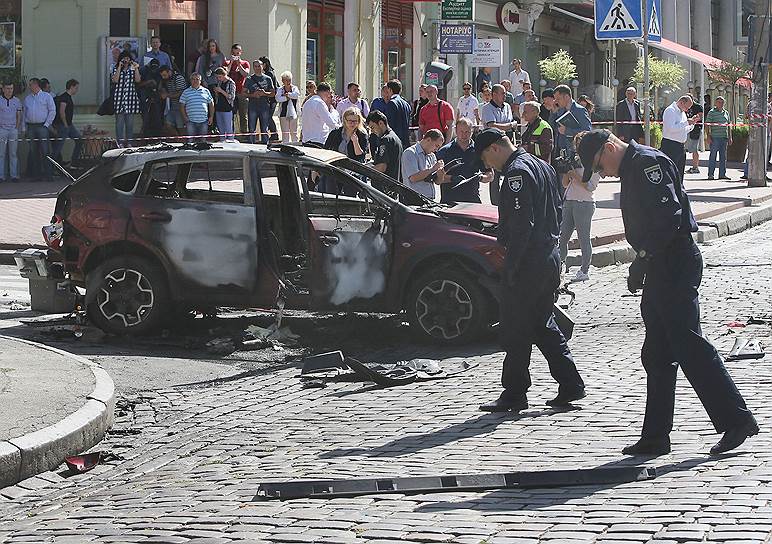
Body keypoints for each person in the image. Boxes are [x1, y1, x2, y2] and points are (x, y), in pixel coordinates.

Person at [576, 129, 759, 455]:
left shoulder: (646, 162)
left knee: (688, 344)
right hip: (660, 262)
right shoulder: (633, 165)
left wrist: (642, 259)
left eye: (600, 165)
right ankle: (656, 436)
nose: (604, 173)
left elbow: (668, 217)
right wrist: (644, 260)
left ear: (609, 147)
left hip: (673, 261)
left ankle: (737, 420)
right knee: (657, 353)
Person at [476, 127, 585, 412]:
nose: (489, 165)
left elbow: (523, 224)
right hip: (547, 256)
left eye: (487, 158)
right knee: (541, 324)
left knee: (515, 327)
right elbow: (558, 211)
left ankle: (514, 393)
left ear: (496, 148)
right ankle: (570, 383)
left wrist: (511, 265)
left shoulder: (516, 174)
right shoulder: (543, 167)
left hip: (528, 261)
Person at [558, 148, 598, 283]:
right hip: (569, 201)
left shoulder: (594, 164)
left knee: (583, 238)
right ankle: (560, 266)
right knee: (562, 237)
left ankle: (585, 270)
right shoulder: (575, 162)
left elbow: (591, 186)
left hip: (584, 203)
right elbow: (564, 184)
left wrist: (575, 175)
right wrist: (566, 172)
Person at [435, 117, 493, 204]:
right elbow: (436, 178)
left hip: (472, 200)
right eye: (461, 131)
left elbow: (490, 175)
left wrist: (480, 178)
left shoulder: (479, 151)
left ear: (472, 131)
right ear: (455, 130)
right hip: (450, 200)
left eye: (467, 132)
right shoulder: (444, 151)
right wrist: (452, 178)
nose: (464, 135)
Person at [481, 84, 515, 205]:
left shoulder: (507, 107)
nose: (505, 95)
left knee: (509, 174)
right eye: (502, 93)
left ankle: (508, 201)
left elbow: (506, 124)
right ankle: (495, 204)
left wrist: (506, 126)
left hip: (506, 145)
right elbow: (492, 125)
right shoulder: (487, 108)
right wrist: (509, 125)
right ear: (494, 94)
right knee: (494, 177)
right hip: (493, 146)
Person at [323, 107, 368, 195]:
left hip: (352, 173)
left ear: (359, 121)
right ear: (344, 120)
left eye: (355, 121)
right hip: (335, 170)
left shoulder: (362, 135)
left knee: (349, 199)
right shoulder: (335, 133)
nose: (352, 123)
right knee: (331, 197)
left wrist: (355, 142)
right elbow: (325, 151)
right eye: (349, 120)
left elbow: (361, 156)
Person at [661, 95, 700, 183]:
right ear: (682, 102)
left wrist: (692, 124)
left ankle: (679, 192)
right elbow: (671, 128)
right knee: (670, 172)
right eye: (686, 107)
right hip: (670, 145)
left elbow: (683, 130)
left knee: (679, 173)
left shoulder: (681, 112)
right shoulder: (670, 110)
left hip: (680, 146)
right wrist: (686, 122)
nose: (687, 110)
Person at [23, 78, 56, 180]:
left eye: (31, 85)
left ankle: (48, 175)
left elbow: (52, 111)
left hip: (43, 126)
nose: (29, 87)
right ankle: (36, 175)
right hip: (31, 127)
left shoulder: (47, 96)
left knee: (45, 151)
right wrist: (24, 128)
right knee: (33, 152)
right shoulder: (27, 98)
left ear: (36, 85)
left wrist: (46, 124)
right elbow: (24, 114)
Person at [401, 129, 445, 199]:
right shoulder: (410, 153)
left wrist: (441, 175)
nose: (436, 149)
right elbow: (413, 178)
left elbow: (437, 182)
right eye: (436, 145)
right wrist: (433, 169)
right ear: (428, 140)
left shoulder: (432, 155)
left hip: (431, 199)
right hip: (414, 199)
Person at [111, 51, 141, 147]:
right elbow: (115, 80)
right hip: (119, 99)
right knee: (119, 124)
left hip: (130, 98)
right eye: (124, 58)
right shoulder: (115, 68)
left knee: (130, 124)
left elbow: (138, 80)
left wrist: (136, 68)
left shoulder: (133, 69)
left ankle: (129, 142)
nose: (126, 60)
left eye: (128, 58)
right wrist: (120, 66)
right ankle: (119, 142)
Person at [553, 85, 592, 159]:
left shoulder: (580, 110)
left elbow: (587, 131)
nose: (556, 102)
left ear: (567, 97)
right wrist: (553, 112)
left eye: (558, 99)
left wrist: (567, 131)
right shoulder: (560, 110)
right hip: (562, 153)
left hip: (575, 153)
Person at [243, 59, 275, 144]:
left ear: (262, 66)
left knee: (264, 128)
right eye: (255, 66)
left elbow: (273, 93)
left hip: (264, 106)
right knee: (251, 128)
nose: (257, 68)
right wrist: (253, 95)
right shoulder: (249, 79)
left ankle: (265, 145)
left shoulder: (268, 78)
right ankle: (251, 145)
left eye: (259, 66)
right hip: (253, 106)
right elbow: (243, 92)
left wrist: (264, 93)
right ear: (253, 67)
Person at [365, 110, 402, 181]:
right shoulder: (394, 137)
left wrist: (363, 170)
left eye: (372, 127)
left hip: (385, 187)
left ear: (380, 123)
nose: (372, 131)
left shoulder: (386, 140)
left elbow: (381, 167)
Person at [52, 79, 82, 166]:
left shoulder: (67, 97)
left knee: (79, 140)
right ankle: (51, 168)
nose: (77, 90)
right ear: (71, 87)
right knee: (58, 147)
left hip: (69, 125)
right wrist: (65, 125)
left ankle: (74, 161)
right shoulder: (64, 98)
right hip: (62, 125)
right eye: (76, 88)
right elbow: (62, 111)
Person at [224, 44, 251, 139]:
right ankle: (232, 135)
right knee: (231, 114)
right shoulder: (227, 62)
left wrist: (239, 64)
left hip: (241, 93)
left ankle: (244, 135)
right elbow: (225, 74)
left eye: (237, 53)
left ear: (240, 52)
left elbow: (245, 74)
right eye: (233, 53)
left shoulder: (245, 63)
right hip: (230, 93)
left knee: (243, 115)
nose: (235, 55)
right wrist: (231, 63)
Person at [179, 73, 214, 142]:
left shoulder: (206, 91)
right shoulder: (186, 92)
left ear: (200, 81)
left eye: (197, 79)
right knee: (190, 141)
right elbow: (181, 106)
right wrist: (185, 117)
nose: (195, 81)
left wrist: (211, 117)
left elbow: (211, 104)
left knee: (203, 141)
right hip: (190, 121)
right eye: (193, 79)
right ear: (190, 80)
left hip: (204, 121)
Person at [706, 96, 732, 180]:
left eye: (722, 102)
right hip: (715, 138)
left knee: (723, 157)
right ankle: (711, 174)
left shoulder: (726, 113)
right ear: (715, 103)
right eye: (719, 102)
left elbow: (729, 126)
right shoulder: (711, 112)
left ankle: (722, 174)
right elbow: (707, 125)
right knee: (713, 156)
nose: (720, 104)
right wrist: (708, 136)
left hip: (724, 137)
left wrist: (730, 137)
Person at [0, 82, 22, 182]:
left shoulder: (17, 101)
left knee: (13, 153)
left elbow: (19, 115)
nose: (9, 91)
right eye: (8, 88)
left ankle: (14, 176)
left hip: (13, 130)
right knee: (1, 154)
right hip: (2, 130)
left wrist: (16, 128)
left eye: (11, 88)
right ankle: (1, 176)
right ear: (3, 89)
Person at [158, 65, 187, 135]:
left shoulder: (178, 78)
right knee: (168, 124)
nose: (163, 77)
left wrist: (167, 95)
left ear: (169, 72)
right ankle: (178, 140)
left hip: (181, 107)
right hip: (172, 107)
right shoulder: (166, 80)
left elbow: (181, 93)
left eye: (164, 75)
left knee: (181, 127)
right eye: (162, 75)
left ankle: (185, 142)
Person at [385, 80, 412, 148]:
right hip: (405, 139)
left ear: (390, 89)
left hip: (395, 140)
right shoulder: (406, 103)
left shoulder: (391, 103)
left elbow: (389, 123)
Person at [259, 56, 281, 142]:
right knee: (267, 117)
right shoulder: (269, 73)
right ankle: (273, 133)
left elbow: (272, 87)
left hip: (272, 99)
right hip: (269, 98)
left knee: (268, 116)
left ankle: (274, 134)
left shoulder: (269, 74)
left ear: (264, 64)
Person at [212, 67, 236, 141]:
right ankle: (222, 141)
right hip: (219, 107)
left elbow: (231, 97)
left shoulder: (231, 83)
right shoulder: (220, 82)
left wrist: (221, 91)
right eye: (217, 77)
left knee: (228, 128)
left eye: (220, 77)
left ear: (224, 74)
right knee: (221, 129)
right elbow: (218, 96)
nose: (219, 79)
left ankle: (231, 142)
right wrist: (216, 92)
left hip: (227, 108)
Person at [275, 71, 300, 143]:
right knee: (285, 132)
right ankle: (285, 146)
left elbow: (296, 95)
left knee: (294, 132)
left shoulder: (295, 88)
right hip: (283, 113)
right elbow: (278, 99)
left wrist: (288, 95)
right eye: (286, 80)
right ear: (282, 81)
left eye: (289, 80)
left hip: (294, 114)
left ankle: (295, 145)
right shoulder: (280, 89)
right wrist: (286, 98)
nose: (288, 82)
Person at [684, 96, 703, 174]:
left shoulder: (698, 106)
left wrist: (694, 119)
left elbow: (700, 117)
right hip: (685, 129)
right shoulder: (684, 107)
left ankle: (695, 167)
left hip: (695, 130)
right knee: (685, 148)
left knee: (694, 149)